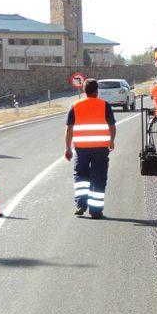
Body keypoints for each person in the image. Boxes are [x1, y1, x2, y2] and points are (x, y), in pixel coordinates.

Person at [64, 79, 116, 219]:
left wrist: (68, 148)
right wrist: (111, 141)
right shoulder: (104, 105)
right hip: (100, 149)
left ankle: (81, 205)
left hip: (81, 149)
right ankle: (96, 211)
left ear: (84, 91)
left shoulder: (75, 105)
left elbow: (69, 129)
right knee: (98, 179)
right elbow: (112, 126)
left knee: (81, 176)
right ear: (96, 91)